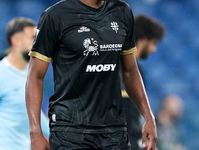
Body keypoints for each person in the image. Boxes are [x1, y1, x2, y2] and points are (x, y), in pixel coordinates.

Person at [26, 0, 157, 150]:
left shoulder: (122, 11)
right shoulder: (55, 16)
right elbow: (35, 76)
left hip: (114, 131)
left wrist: (148, 117)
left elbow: (130, 71)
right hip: (70, 131)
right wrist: (35, 132)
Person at [0, 17, 49, 150]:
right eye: (32, 38)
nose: (36, 43)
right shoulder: (1, 73)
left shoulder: (34, 75)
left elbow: (35, 115)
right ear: (16, 41)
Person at [121, 14, 165, 150]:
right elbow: (126, 113)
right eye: (153, 43)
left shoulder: (133, 67)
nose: (154, 49)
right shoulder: (128, 69)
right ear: (143, 41)